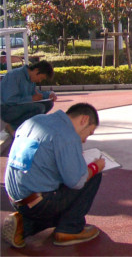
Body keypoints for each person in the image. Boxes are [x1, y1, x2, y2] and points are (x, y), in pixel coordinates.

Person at [2, 103, 105, 247]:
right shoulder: (67, 135)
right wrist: (95, 167)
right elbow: (77, 181)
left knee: (60, 202)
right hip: (40, 202)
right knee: (92, 176)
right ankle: (70, 229)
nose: (84, 140)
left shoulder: (34, 121)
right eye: (89, 133)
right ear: (84, 120)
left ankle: (23, 226)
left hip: (16, 198)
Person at [0, 60, 57, 132]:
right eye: (41, 78)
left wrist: (49, 94)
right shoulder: (15, 75)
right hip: (6, 110)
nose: (39, 81)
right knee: (39, 108)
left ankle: (24, 126)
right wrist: (31, 98)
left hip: (18, 107)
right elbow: (9, 100)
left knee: (49, 104)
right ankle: (13, 126)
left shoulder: (31, 79)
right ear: (36, 70)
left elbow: (36, 93)